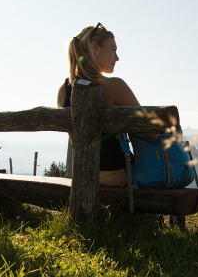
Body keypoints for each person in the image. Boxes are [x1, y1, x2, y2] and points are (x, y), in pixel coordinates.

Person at [57, 22, 160, 187]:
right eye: (113, 50)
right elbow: (153, 132)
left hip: (84, 173)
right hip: (116, 174)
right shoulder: (115, 86)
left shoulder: (64, 90)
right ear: (95, 47)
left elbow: (76, 141)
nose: (117, 57)